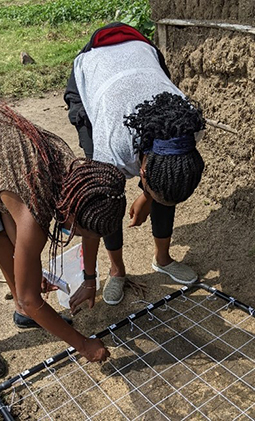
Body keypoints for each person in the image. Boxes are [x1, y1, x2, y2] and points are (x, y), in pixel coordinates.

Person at [0, 69, 126, 378]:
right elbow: (29, 295)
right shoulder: (34, 214)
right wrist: (84, 345)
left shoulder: (77, 177)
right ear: (71, 217)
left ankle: (23, 313)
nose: (77, 236)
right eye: (79, 232)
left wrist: (89, 278)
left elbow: (18, 218)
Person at [64, 22, 205, 311]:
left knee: (168, 184)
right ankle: (117, 270)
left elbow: (167, 176)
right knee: (110, 200)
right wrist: (90, 280)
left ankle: (162, 259)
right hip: (94, 73)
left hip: (143, 55)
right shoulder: (111, 145)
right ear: (142, 170)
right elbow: (95, 211)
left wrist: (148, 195)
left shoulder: (189, 126)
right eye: (146, 181)